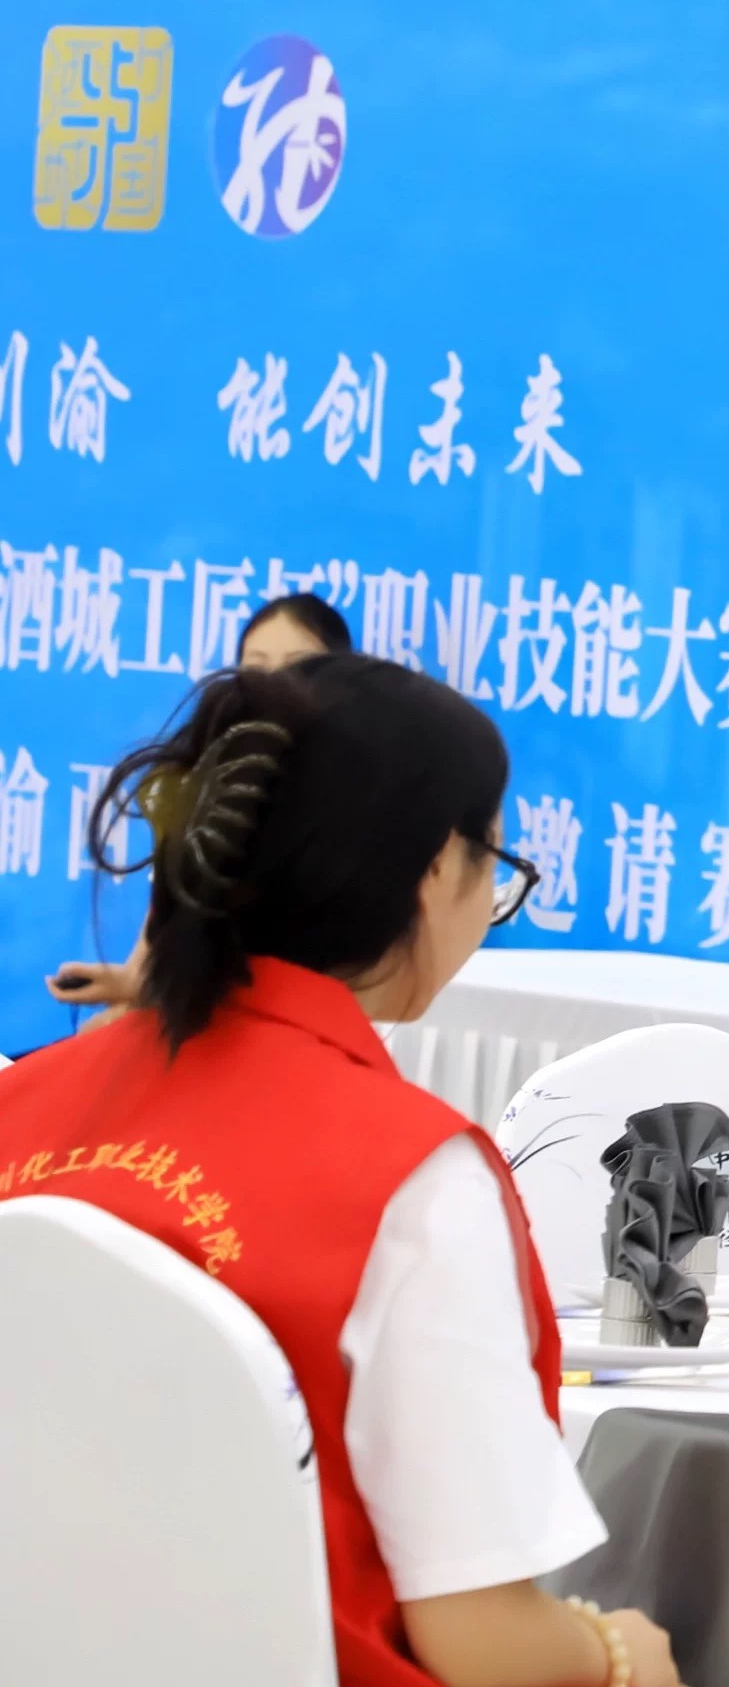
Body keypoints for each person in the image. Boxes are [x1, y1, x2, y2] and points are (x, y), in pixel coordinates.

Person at [0, 656, 681, 1687]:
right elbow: (482, 1643)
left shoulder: (22, 1106)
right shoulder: (410, 1178)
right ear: (438, 868)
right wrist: (617, 1652)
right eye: (496, 864)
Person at [45, 594, 356, 1013]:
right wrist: (126, 984)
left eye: (297, 665)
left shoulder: (350, 794)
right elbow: (157, 958)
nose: (274, 682)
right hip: (203, 1014)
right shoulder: (202, 786)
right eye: (256, 668)